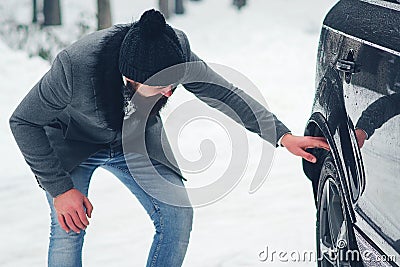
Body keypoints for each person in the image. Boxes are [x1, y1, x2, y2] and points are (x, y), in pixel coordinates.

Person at [9, 9, 329, 267]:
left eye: (174, 82)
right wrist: (60, 189)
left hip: (135, 140)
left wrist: (283, 135)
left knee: (177, 215)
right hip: (71, 142)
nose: (170, 92)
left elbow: (223, 93)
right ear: (131, 76)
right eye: (162, 85)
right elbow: (23, 121)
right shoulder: (75, 66)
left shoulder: (172, 49)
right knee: (69, 228)